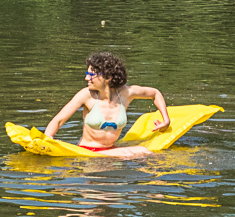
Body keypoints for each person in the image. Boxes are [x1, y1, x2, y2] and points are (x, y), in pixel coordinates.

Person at [42, 51, 170, 156]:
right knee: (141, 152)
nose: (87, 78)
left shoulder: (126, 93)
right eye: (87, 74)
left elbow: (155, 93)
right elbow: (58, 120)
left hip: (111, 151)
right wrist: (47, 139)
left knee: (142, 152)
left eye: (91, 75)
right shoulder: (86, 95)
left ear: (108, 77)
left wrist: (166, 121)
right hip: (87, 153)